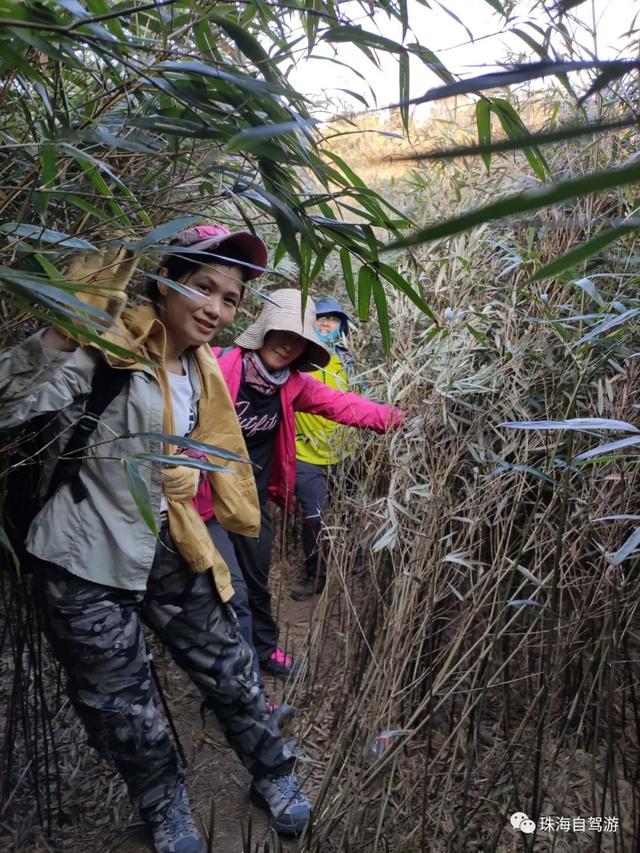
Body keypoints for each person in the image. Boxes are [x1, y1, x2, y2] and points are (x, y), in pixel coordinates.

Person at [0, 225, 311, 853]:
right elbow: (9, 402)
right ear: (164, 280)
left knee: (230, 669)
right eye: (202, 287)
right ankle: (166, 806)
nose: (215, 309)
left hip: (172, 545)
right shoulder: (105, 351)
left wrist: (191, 467)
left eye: (229, 299)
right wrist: (61, 331)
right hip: (84, 556)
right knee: (121, 708)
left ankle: (273, 773)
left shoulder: (203, 372)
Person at [195, 289, 405, 683]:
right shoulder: (217, 368)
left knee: (257, 584)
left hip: (252, 502)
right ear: (264, 331)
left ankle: (264, 650)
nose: (289, 345)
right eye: (283, 333)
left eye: (300, 339)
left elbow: (346, 405)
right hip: (208, 507)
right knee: (233, 594)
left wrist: (403, 419)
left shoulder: (291, 384)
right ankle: (245, 682)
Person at [292, 298, 358, 601]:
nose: (326, 323)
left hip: (345, 453)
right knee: (315, 517)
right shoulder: (297, 357)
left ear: (342, 325)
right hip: (306, 454)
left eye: (333, 319)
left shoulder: (348, 361)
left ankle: (347, 566)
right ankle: (316, 576)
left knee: (345, 513)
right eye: (321, 318)